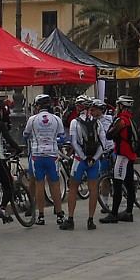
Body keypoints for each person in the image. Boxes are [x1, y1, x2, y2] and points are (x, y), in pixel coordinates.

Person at [60, 97, 106, 230]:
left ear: (79, 107)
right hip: (94, 161)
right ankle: (91, 220)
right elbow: (102, 144)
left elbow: (74, 143)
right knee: (93, 190)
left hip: (80, 161)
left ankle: (70, 219)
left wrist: (84, 158)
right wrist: (94, 159)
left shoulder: (75, 122)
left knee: (73, 188)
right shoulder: (98, 123)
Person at [23, 94, 66, 225]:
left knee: (39, 185)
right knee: (55, 184)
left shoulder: (32, 119)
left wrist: (35, 138)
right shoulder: (57, 119)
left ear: (37, 106)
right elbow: (63, 138)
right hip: (52, 155)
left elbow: (25, 136)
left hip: (37, 155)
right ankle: (59, 214)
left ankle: (41, 216)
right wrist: (53, 139)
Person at [101, 96, 137, 223]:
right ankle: (128, 212)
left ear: (121, 106)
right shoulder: (130, 119)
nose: (116, 108)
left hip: (122, 155)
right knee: (129, 184)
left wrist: (113, 122)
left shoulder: (121, 120)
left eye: (117, 106)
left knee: (117, 183)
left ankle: (114, 214)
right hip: (130, 155)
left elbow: (109, 135)